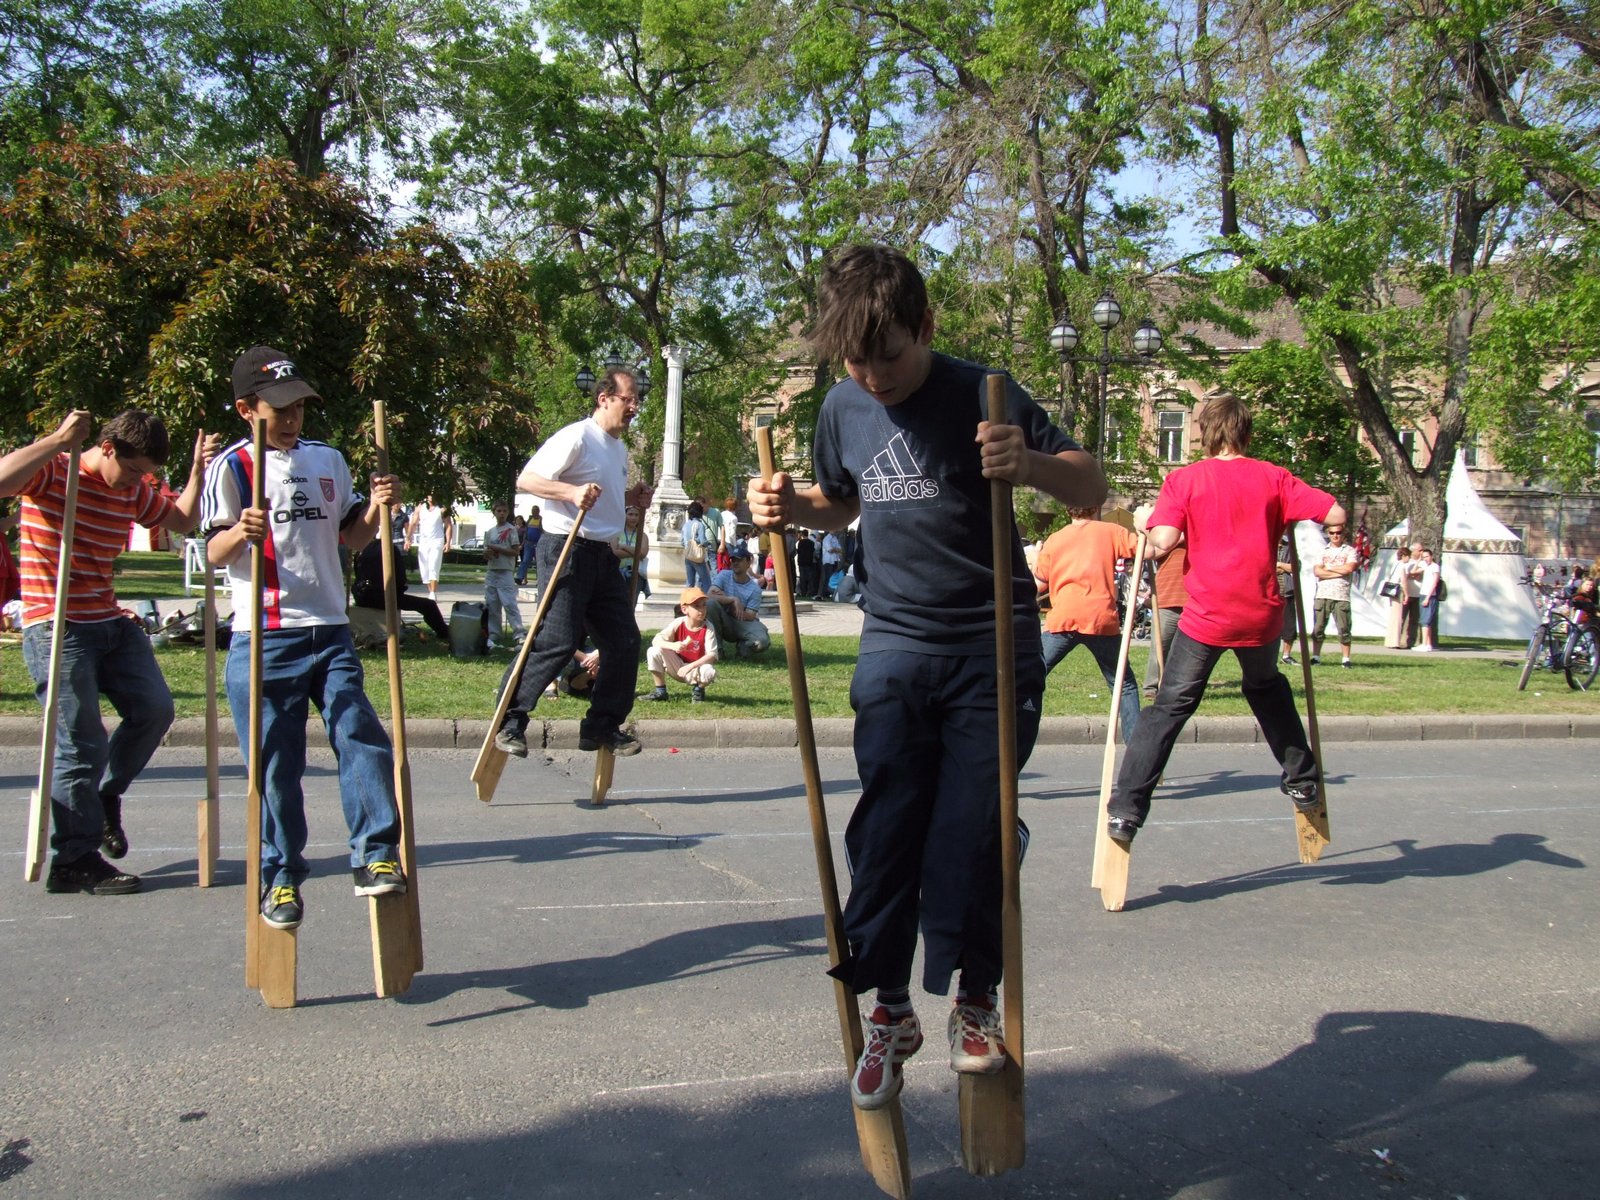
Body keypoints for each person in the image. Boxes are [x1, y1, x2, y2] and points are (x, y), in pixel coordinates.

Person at [746, 244, 1104, 1112]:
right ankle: (891, 1009)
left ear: (927, 327)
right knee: (885, 833)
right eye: (856, 362)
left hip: (991, 645)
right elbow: (842, 501)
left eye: (890, 356)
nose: (874, 377)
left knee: (971, 832)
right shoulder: (842, 406)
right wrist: (788, 508)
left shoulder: (985, 392)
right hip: (895, 644)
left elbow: (1089, 484)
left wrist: (1028, 463)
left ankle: (975, 1001)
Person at [202, 345, 408, 930]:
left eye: (299, 407)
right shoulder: (233, 467)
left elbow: (352, 537)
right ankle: (281, 876)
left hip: (329, 628)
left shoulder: (328, 460)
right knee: (275, 763)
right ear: (247, 410)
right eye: (280, 409)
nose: (292, 418)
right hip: (266, 636)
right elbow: (214, 551)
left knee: (360, 734)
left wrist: (378, 510)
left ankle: (375, 853)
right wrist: (240, 534)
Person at [1106, 395, 1345, 846]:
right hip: (1260, 614)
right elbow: (1335, 514)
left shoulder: (1185, 479)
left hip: (1208, 615)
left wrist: (1144, 525)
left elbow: (1163, 541)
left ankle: (1126, 810)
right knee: (1266, 687)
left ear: (1204, 433)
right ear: (1247, 432)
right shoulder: (1275, 477)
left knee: (1170, 706)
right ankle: (1302, 779)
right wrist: (1290, 511)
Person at [0, 410, 219, 894]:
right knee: (81, 744)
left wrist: (197, 473)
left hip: (109, 622)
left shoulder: (132, 490)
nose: (138, 482)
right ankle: (73, 860)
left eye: (147, 475)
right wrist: (58, 439)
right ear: (107, 448)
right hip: (57, 623)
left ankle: (105, 796)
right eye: (134, 469)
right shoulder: (56, 470)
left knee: (154, 710)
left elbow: (182, 519)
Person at [492, 368, 653, 760]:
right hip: (565, 547)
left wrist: (630, 498)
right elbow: (528, 479)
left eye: (637, 400)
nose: (635, 407)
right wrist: (570, 491)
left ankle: (601, 725)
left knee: (624, 641)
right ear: (604, 398)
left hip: (603, 556)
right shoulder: (577, 436)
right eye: (628, 399)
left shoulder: (617, 448)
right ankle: (510, 719)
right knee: (557, 641)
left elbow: (602, 498)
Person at [1034, 507, 1140, 738]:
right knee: (1123, 684)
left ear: (1068, 509)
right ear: (1095, 507)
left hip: (1063, 619)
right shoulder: (1112, 531)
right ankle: (1136, 747)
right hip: (1100, 618)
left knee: (1031, 674)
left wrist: (1035, 560)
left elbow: (1039, 584)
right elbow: (1147, 550)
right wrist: (1144, 526)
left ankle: (1015, 726)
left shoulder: (1055, 539)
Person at [350, 536, 449, 640]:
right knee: (428, 605)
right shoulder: (390, 549)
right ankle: (444, 633)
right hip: (383, 597)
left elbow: (357, 576)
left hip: (361, 596)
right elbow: (400, 578)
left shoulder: (362, 551)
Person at [642, 587, 720, 702]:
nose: (702, 609)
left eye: (704, 605)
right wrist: (673, 646)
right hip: (677, 666)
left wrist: (690, 666)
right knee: (653, 651)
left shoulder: (708, 627)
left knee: (709, 671)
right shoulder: (679, 623)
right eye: (697, 606)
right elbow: (656, 641)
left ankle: (698, 690)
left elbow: (712, 655)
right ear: (684, 609)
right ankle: (660, 691)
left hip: (695, 669)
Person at [706, 544, 771, 657]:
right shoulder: (724, 575)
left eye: (739, 560)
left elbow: (750, 616)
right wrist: (732, 600)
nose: (735, 563)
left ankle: (743, 644)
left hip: (744, 623)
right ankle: (717, 650)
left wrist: (726, 602)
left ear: (748, 562)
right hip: (724, 620)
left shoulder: (755, 589)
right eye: (733, 560)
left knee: (762, 642)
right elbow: (709, 596)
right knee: (710, 604)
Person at [1309, 521, 1358, 668]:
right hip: (1323, 594)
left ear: (1343, 534)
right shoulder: (1322, 551)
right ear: (1328, 534)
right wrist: (1338, 571)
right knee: (1318, 628)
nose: (1335, 535)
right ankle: (1316, 657)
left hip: (1341, 595)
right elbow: (1317, 571)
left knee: (1344, 629)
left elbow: (1349, 569)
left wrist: (1328, 568)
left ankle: (1346, 659)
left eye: (1338, 533)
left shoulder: (1349, 551)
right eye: (1332, 533)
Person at [1142, 545, 1188, 697]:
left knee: (1188, 651)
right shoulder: (1165, 536)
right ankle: (1151, 687)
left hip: (1194, 599)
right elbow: (1150, 552)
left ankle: (1179, 686)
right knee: (1159, 646)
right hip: (1167, 597)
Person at [481, 500, 526, 650]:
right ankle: (494, 633)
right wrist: (487, 553)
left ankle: (519, 633)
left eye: (504, 511)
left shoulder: (511, 530)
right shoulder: (490, 532)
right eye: (499, 511)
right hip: (492, 570)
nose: (501, 514)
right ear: (494, 513)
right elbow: (485, 552)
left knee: (509, 603)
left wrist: (497, 548)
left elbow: (515, 551)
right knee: (492, 604)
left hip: (505, 570)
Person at [405, 496, 452, 600]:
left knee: (433, 566)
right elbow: (413, 523)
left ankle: (433, 593)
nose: (430, 497)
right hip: (424, 542)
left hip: (437, 541)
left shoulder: (441, 509)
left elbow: (448, 525)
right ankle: (431, 591)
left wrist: (448, 542)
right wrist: (408, 538)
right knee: (424, 569)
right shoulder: (420, 507)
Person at [614, 503, 652, 600]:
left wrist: (623, 547)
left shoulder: (642, 535)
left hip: (636, 574)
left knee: (631, 603)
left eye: (636, 515)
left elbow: (643, 554)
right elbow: (614, 552)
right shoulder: (616, 533)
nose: (633, 518)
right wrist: (636, 552)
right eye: (630, 514)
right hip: (617, 573)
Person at [1382, 545, 1413, 648]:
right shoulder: (1402, 566)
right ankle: (1394, 641)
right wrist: (1407, 594)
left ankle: (1390, 640)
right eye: (1408, 556)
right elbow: (1403, 581)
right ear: (1404, 556)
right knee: (1397, 617)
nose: (1409, 559)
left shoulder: (1395, 565)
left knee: (1393, 616)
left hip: (1392, 591)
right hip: (1398, 591)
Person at [681, 499, 715, 591]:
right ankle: (706, 598)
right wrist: (708, 543)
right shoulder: (700, 525)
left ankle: (688, 598)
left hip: (688, 556)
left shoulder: (685, 525)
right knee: (706, 581)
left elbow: (682, 542)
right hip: (697, 556)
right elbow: (702, 541)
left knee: (690, 582)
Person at [1276, 533, 1299, 664]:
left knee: (1289, 626)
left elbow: (1295, 566)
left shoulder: (1289, 547)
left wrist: (1279, 564)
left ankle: (1286, 655)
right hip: (1270, 593)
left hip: (1287, 592)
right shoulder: (1266, 546)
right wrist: (1284, 567)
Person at [1414, 547, 1441, 651]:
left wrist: (1427, 598)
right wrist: (1418, 561)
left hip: (1429, 595)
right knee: (1426, 621)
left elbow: (1434, 583)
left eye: (1427, 556)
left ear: (1431, 556)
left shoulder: (1435, 567)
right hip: (1423, 593)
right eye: (1424, 557)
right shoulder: (1426, 566)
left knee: (1425, 621)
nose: (1426, 559)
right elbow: (1413, 571)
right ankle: (1429, 644)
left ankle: (1424, 644)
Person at [515, 505, 542, 585]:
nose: (533, 512)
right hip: (528, 543)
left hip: (538, 544)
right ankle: (519, 577)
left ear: (538, 511)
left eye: (535, 511)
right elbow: (526, 533)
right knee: (525, 561)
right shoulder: (529, 520)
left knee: (539, 563)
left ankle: (539, 580)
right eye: (532, 511)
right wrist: (523, 543)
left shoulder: (541, 520)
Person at [794, 528, 819, 599]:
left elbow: (798, 551)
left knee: (802, 577)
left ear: (802, 534)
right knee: (810, 578)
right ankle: (810, 591)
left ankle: (803, 592)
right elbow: (813, 551)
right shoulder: (811, 543)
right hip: (809, 562)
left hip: (801, 562)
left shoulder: (800, 542)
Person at [820, 529, 843, 598]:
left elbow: (840, 549)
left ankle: (829, 592)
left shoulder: (835, 538)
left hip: (835, 560)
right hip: (828, 560)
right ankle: (824, 593)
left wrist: (834, 549)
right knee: (827, 577)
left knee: (832, 578)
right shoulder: (826, 539)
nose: (835, 531)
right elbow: (830, 550)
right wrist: (836, 549)